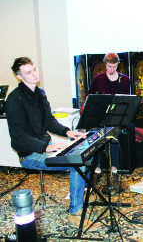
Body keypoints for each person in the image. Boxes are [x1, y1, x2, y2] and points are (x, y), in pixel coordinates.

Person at [5, 57, 100, 231]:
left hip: (43, 146)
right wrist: (46, 147)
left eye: (34, 69)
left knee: (84, 156)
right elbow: (18, 137)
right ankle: (75, 213)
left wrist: (67, 132)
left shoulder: (39, 93)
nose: (34, 74)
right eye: (28, 72)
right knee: (76, 164)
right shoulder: (14, 99)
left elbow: (49, 121)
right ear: (19, 76)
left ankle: (79, 194)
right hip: (29, 154)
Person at [85, 52, 130, 188]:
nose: (112, 70)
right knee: (97, 139)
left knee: (114, 138)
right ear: (105, 64)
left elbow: (127, 99)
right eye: (109, 66)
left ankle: (114, 171)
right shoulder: (98, 78)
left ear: (118, 65)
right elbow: (89, 93)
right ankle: (97, 170)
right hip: (100, 116)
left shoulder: (125, 80)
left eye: (115, 66)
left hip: (116, 116)